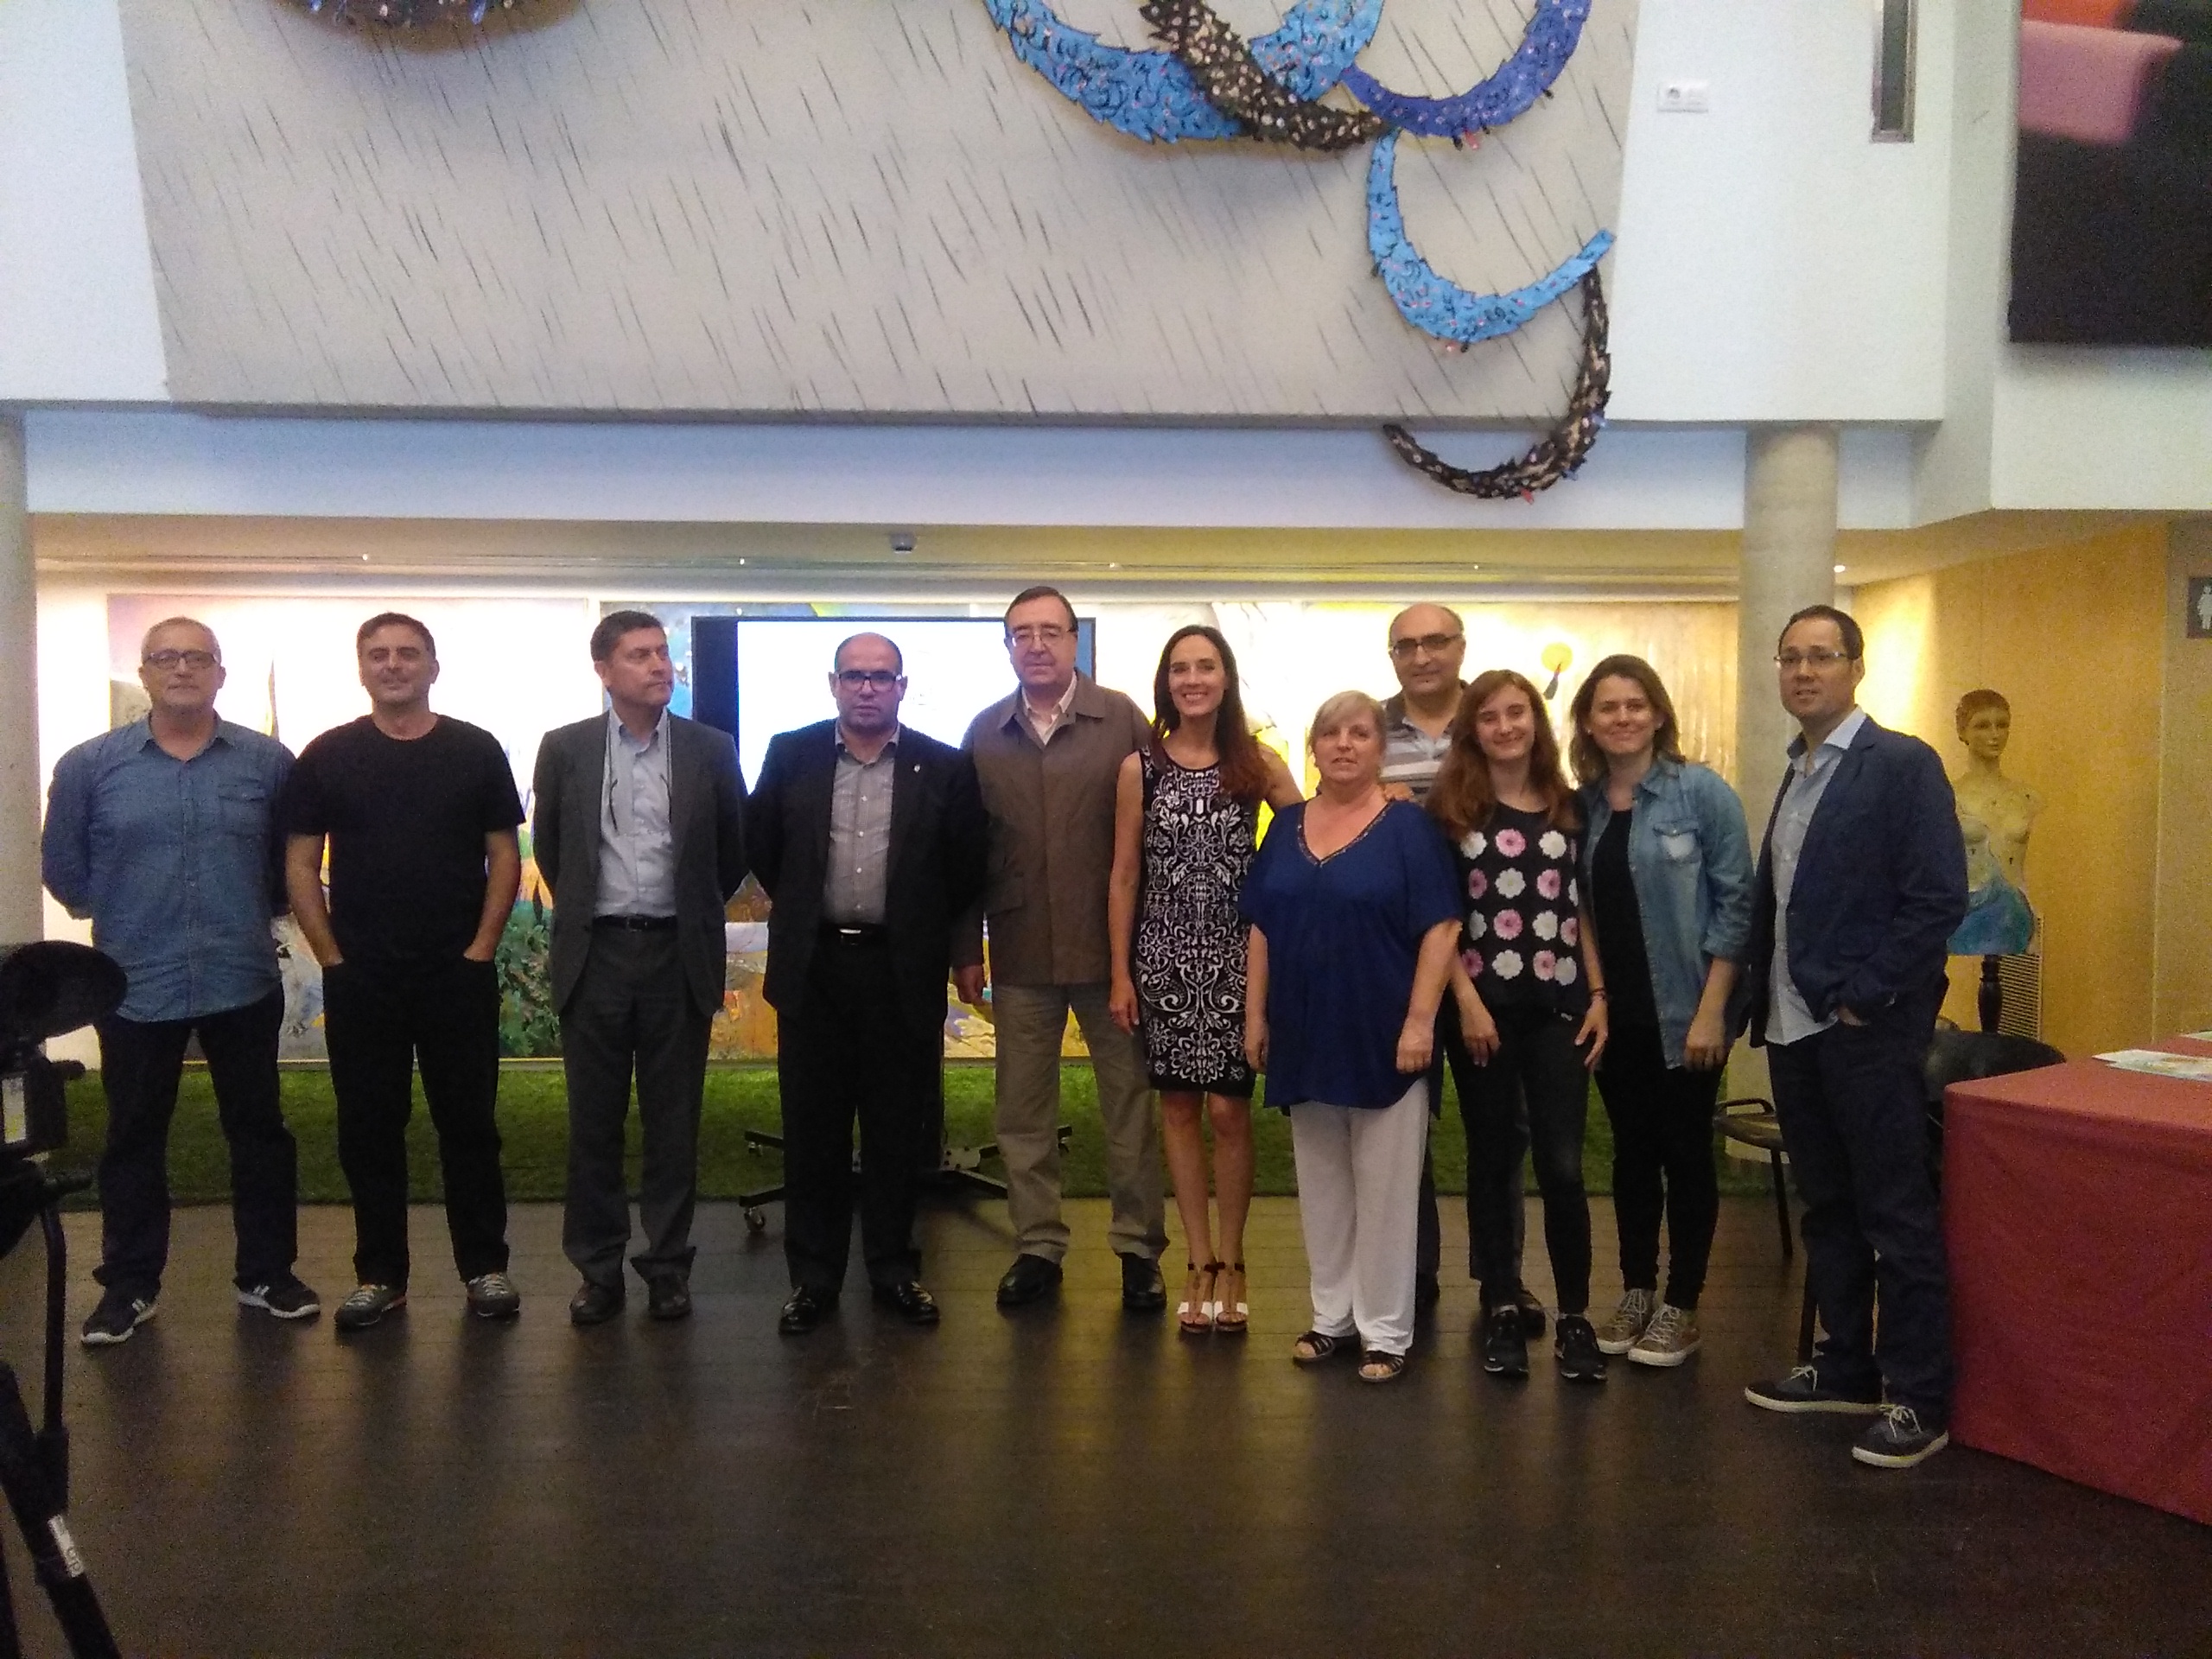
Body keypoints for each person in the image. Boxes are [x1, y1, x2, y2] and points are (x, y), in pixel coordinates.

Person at [44, 618, 317, 1345]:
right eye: (166, 657)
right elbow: (64, 869)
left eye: (198, 657)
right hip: (135, 981)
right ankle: (130, 1285)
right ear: (145, 674)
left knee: (259, 1132)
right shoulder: (90, 766)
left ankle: (267, 1274)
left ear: (220, 673)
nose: (183, 669)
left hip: (241, 976)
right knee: (133, 1135)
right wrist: (125, 909)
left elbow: (286, 866)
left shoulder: (267, 763)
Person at [1740, 605, 1967, 1469]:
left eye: (1822, 657)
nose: (1803, 672)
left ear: (1855, 667)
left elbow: (1936, 899)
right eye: (1790, 657)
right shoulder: (1798, 769)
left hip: (1862, 1030)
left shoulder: (1901, 764)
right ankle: (1845, 1366)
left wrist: (1866, 998)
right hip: (1793, 1027)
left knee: (1893, 1213)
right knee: (1828, 1207)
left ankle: (1918, 1398)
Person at [284, 613, 524, 1332]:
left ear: (433, 667)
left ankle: (484, 1268)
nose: (393, 664)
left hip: (458, 973)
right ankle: (380, 1275)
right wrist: (331, 956)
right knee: (368, 1130)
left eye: (408, 653)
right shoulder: (327, 755)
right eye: (379, 654)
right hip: (363, 977)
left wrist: (482, 948)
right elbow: (301, 863)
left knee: (470, 1127)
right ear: (362, 668)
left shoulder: (475, 750)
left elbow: (503, 855)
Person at [747, 632, 987, 1335]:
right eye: (855, 676)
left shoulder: (944, 766)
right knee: (812, 1131)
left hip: (900, 970)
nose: (867, 688)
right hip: (815, 967)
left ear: (902, 688)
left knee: (896, 1131)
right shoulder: (790, 754)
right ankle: (813, 1279)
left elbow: (964, 866)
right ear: (833, 684)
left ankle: (893, 1269)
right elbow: (764, 844)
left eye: (882, 677)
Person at [532, 610, 748, 1326]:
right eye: (639, 655)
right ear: (604, 670)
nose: (659, 666)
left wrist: (685, 912)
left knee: (673, 1123)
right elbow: (554, 850)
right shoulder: (565, 748)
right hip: (595, 953)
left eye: (662, 653)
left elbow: (730, 852)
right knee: (593, 1124)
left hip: (676, 954)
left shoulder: (710, 749)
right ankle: (597, 1271)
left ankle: (667, 1267)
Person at [957, 586, 1169, 1311]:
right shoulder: (986, 732)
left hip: (1115, 958)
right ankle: (1038, 1245)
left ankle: (1139, 1249)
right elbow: (966, 853)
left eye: (1051, 631)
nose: (1037, 644)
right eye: (1023, 633)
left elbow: (1160, 835)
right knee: (1022, 1111)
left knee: (1129, 1107)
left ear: (1075, 641)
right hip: (1020, 951)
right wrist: (966, 948)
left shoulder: (1122, 721)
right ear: (1007, 646)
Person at [1240, 691, 1461, 1383]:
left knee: (1388, 1192)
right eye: (1331, 733)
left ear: (1379, 748)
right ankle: (1330, 1317)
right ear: (1313, 748)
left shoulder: (1408, 828)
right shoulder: (1287, 826)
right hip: (1304, 1031)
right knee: (1323, 1185)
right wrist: (1255, 1016)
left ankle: (1386, 1332)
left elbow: (1442, 927)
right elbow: (1262, 925)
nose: (1344, 744)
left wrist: (1420, 1021)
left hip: (1385, 1033)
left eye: (1360, 733)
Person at [1108, 626, 1300, 1335]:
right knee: (1180, 1109)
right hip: (1162, 960)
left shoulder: (1258, 764)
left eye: (1206, 667)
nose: (1193, 679)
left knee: (1228, 1112)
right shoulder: (1141, 768)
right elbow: (1125, 875)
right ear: (1167, 682)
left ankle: (1235, 1255)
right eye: (1180, 668)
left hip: (1236, 960)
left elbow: (1314, 835)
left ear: (1226, 678)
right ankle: (1198, 1259)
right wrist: (1120, 972)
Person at [1568, 655, 1753, 1367]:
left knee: (1686, 1153)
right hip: (1618, 1019)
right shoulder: (1583, 806)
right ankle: (1638, 1291)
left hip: (1687, 1012)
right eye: (1608, 707)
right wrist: (1598, 998)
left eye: (1635, 705)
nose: (1622, 717)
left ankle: (1683, 1303)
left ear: (1658, 714)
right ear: (1588, 721)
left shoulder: (1701, 794)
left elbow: (1737, 906)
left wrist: (1712, 1011)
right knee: (1633, 1155)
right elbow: (1581, 910)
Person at [1427, 669, 1611, 1383]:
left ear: (1536, 720)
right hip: (1483, 1014)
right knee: (1494, 1156)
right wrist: (1466, 1002)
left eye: (1517, 713)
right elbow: (1440, 918)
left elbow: (1578, 909)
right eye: (1490, 717)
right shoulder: (1453, 810)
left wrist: (1598, 993)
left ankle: (1575, 1315)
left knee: (1563, 1164)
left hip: (1561, 1008)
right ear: (1472, 730)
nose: (1505, 727)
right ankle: (1501, 1301)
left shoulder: (1570, 806)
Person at [1379, 603, 1541, 1332]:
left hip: (1492, 959)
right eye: (1406, 645)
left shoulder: (1493, 721)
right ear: (1392, 657)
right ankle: (1410, 1271)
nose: (1422, 656)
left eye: (1435, 641)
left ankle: (1501, 1276)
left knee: (1498, 1127)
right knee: (1401, 1126)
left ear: (1460, 646)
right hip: (1398, 964)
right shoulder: (1371, 729)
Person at [1946, 689, 2039, 960]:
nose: (1995, 734)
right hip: (1968, 917)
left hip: (2016, 917)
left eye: (2002, 725)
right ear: (1963, 731)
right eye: (1983, 726)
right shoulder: (1949, 796)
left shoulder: (2027, 797)